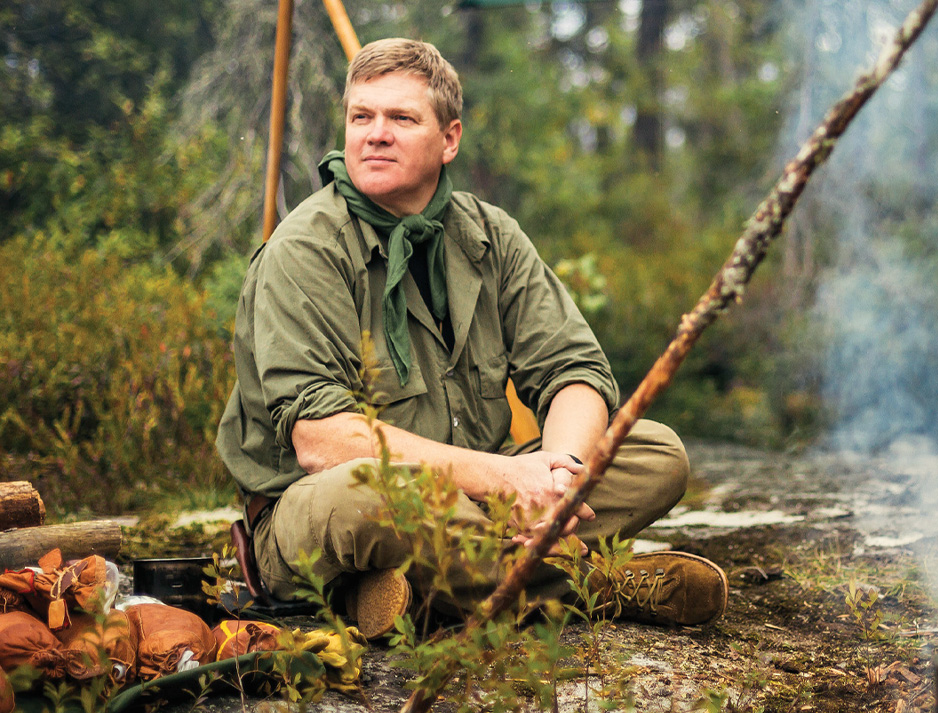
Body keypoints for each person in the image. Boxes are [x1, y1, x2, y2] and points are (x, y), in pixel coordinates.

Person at [216, 38, 728, 638]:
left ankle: (415, 594)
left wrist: (559, 478)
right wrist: (508, 480)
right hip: (326, 510)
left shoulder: (490, 235)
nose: (375, 134)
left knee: (655, 453)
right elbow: (322, 440)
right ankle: (598, 586)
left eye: (401, 118)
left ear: (450, 139)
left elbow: (573, 372)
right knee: (380, 492)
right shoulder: (305, 250)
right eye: (362, 116)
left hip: (477, 502)